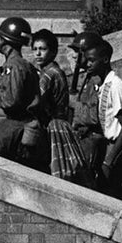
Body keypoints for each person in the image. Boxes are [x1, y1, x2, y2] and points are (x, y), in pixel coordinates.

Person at [0, 16, 45, 169]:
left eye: (0, 38)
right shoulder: (22, 65)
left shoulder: (14, 66)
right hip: (20, 124)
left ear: (5, 41)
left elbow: (10, 100)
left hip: (17, 123)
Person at [32, 29, 90, 185]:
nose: (38, 53)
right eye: (35, 49)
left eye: (43, 49)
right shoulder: (54, 70)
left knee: (58, 173)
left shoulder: (49, 74)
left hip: (53, 126)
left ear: (53, 52)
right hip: (59, 125)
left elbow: (35, 102)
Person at [82, 40, 122, 198]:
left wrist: (108, 161)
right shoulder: (104, 85)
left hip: (118, 149)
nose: (88, 64)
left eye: (92, 60)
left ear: (105, 60)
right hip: (108, 146)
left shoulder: (116, 85)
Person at [69, 31, 107, 174]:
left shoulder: (97, 80)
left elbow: (94, 116)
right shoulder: (86, 77)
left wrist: (74, 104)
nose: (73, 55)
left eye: (77, 52)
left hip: (90, 139)